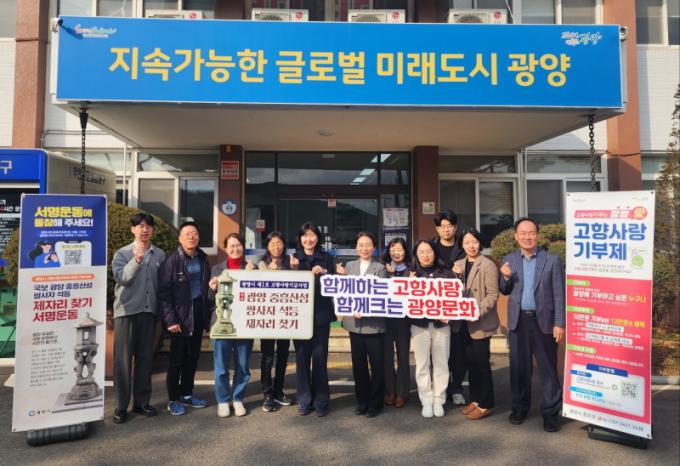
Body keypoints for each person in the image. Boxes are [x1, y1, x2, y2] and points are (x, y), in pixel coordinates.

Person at [499, 217, 565, 433]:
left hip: (543, 321)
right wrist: (505, 278)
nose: (527, 237)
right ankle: (519, 408)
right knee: (519, 368)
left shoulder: (552, 260)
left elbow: (559, 294)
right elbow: (505, 290)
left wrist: (559, 323)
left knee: (548, 370)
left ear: (538, 235)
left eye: (531, 233)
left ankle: (551, 414)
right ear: (516, 236)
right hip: (518, 321)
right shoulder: (509, 260)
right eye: (523, 233)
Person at [111, 213, 166, 424]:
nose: (145, 230)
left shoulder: (159, 254)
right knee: (123, 362)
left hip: (149, 311)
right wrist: (136, 260)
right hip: (126, 312)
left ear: (152, 230)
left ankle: (142, 403)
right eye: (140, 226)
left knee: (145, 359)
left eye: (148, 226)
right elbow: (122, 278)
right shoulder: (122, 253)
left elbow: (162, 284)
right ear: (132, 229)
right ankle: (120, 406)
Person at [158, 221, 213, 416]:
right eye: (187, 233)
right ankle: (173, 399)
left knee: (193, 356)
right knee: (177, 360)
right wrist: (171, 320)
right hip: (180, 316)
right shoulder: (172, 261)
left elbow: (206, 287)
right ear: (179, 238)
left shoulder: (203, 258)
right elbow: (164, 294)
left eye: (194, 233)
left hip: (197, 312)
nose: (191, 236)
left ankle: (187, 394)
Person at [291, 222, 339, 417]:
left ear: (318, 238)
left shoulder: (327, 258)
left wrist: (326, 273)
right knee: (302, 358)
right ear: (300, 238)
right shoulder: (293, 258)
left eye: (312, 235)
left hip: (321, 315)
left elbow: (336, 285)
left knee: (320, 358)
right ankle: (304, 399)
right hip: (298, 316)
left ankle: (321, 399)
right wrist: (293, 270)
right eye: (305, 235)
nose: (308, 239)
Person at [451, 228, 499, 421]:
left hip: (480, 321)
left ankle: (486, 403)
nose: (471, 246)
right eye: (467, 242)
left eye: (474, 242)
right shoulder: (458, 265)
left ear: (480, 243)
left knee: (482, 364)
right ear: (462, 245)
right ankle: (476, 399)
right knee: (470, 363)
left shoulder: (487, 264)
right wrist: (456, 277)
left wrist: (476, 311)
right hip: (462, 323)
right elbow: (453, 292)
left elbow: (493, 295)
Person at [341, 232, 388, 418]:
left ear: (374, 248)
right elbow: (344, 291)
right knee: (358, 365)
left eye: (368, 244)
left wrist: (365, 308)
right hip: (354, 324)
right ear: (356, 247)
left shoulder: (380, 268)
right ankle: (362, 401)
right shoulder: (349, 266)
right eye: (361, 245)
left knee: (377, 366)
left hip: (374, 324)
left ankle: (376, 403)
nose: (364, 248)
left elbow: (381, 294)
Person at [209, 233, 255, 418]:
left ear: (243, 247)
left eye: (238, 245)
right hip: (222, 323)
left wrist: (253, 276)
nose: (235, 249)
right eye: (231, 246)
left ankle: (237, 398)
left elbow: (258, 295)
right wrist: (212, 289)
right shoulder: (217, 269)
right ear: (226, 248)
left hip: (244, 323)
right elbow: (209, 299)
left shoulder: (251, 267)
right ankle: (222, 400)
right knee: (221, 366)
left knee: (242, 365)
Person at [410, 239, 454, 418]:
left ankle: (439, 399)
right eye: (421, 252)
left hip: (441, 325)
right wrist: (409, 285)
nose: (425, 255)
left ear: (435, 253)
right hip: (419, 325)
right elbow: (402, 300)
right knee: (422, 364)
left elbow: (456, 299)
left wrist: (449, 314)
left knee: (441, 362)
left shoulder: (447, 274)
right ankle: (426, 400)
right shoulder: (411, 274)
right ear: (416, 255)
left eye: (428, 251)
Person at [432, 210, 467, 406]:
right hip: (435, 307)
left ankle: (457, 388)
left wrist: (460, 275)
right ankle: (440, 389)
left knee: (458, 352)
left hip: (457, 307)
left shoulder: (463, 248)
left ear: (455, 228)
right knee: (437, 351)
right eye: (442, 226)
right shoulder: (430, 247)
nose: (446, 229)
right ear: (437, 229)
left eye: (450, 225)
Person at [257, 231, 295, 412]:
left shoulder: (290, 263)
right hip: (267, 317)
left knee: (283, 355)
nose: (276, 247)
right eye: (272, 244)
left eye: (279, 243)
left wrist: (295, 270)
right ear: (267, 246)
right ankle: (267, 393)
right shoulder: (261, 265)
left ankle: (279, 390)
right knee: (267, 357)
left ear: (284, 245)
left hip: (285, 317)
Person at [381, 237, 412, 408]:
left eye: (400, 249)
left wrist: (396, 277)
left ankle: (402, 393)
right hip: (385, 319)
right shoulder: (382, 269)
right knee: (386, 358)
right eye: (393, 250)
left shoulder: (411, 270)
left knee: (403, 357)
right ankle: (389, 391)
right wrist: (389, 275)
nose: (396, 253)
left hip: (403, 320)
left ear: (405, 252)